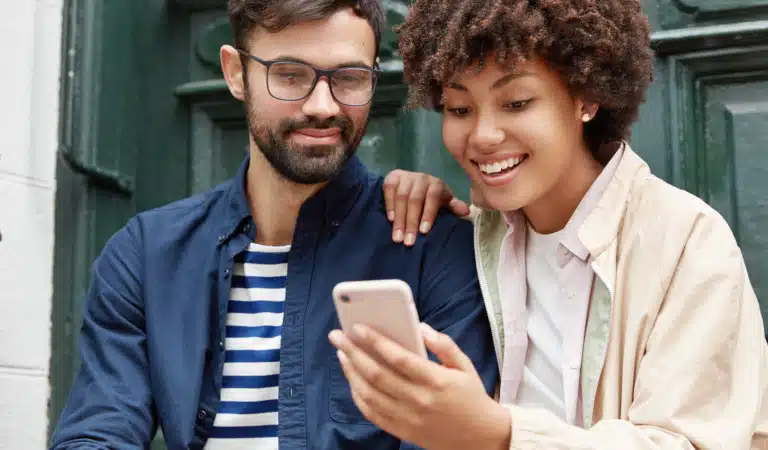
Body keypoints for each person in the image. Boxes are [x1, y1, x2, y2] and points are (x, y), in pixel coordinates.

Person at [328, 0, 768, 448]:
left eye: (517, 103)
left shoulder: (689, 242)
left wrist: (499, 434)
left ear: (586, 98)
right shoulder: (471, 235)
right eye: (459, 109)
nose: (483, 136)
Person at [48, 1, 499, 449]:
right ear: (235, 73)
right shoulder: (146, 254)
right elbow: (96, 433)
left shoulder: (434, 248)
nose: (323, 106)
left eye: (349, 78)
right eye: (290, 75)